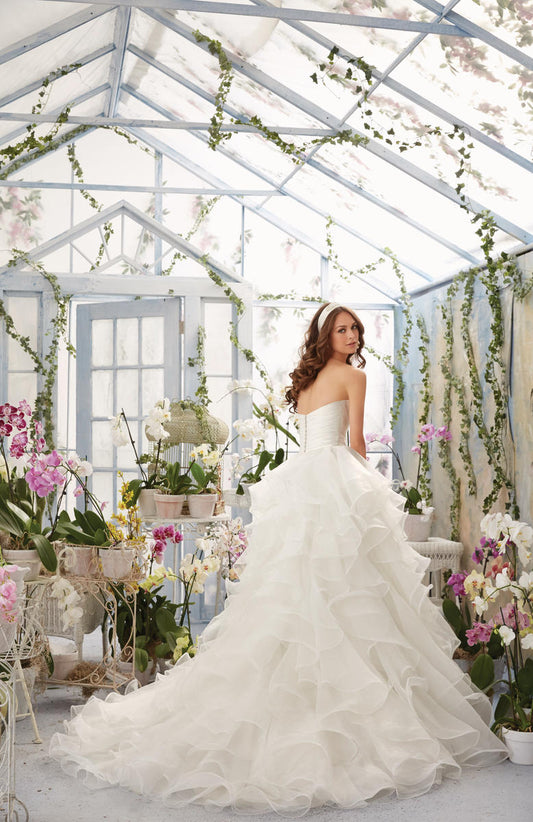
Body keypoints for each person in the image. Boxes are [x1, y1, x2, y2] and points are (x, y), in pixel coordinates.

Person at [50, 302, 507, 815]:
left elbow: (319, 438)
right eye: (342, 328)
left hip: (303, 482)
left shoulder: (309, 380)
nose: (353, 335)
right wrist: (372, 493)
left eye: (355, 328)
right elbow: (355, 444)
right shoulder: (352, 377)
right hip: (333, 482)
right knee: (347, 591)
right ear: (326, 335)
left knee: (297, 591)